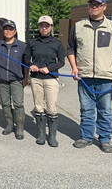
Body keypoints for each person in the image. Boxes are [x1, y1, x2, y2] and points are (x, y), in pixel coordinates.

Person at [67, 0, 112, 153]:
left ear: (104, 7)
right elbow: (70, 49)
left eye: (98, 4)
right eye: (92, 4)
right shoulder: (78, 27)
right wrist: (74, 67)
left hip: (106, 78)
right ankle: (86, 137)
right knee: (86, 110)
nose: (94, 7)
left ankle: (105, 139)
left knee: (105, 110)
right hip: (85, 76)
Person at [24, 15, 66, 147]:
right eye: (42, 25)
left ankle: (52, 136)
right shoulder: (32, 42)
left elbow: (61, 62)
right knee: (38, 106)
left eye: (47, 25)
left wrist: (50, 68)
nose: (44, 28)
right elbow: (25, 58)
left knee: (52, 108)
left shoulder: (57, 43)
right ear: (38, 27)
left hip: (51, 79)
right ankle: (41, 134)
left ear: (51, 27)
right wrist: (31, 65)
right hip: (36, 78)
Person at [0, 19, 28, 140]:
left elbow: (27, 63)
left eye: (10, 29)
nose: (8, 31)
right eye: (6, 29)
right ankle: (9, 125)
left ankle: (19, 128)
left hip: (16, 80)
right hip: (2, 80)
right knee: (6, 104)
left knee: (18, 104)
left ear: (15, 31)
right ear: (3, 31)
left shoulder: (22, 45)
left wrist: (25, 79)